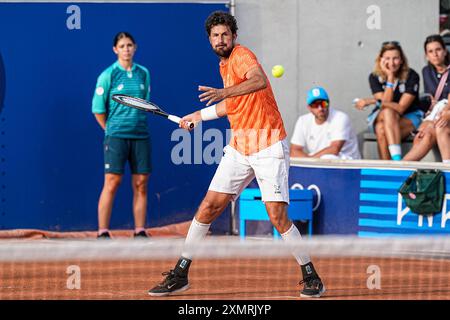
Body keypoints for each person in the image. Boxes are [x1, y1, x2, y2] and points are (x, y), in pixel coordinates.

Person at [148, 11, 325, 298]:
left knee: (277, 214)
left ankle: (310, 274)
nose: (220, 40)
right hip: (240, 147)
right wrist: (198, 116)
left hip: (268, 144)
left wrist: (223, 92)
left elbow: (258, 82)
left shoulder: (242, 56)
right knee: (208, 207)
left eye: (225, 35)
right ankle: (180, 273)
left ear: (234, 36)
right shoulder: (224, 65)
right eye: (215, 36)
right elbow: (233, 105)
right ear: (209, 39)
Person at [92, 32, 152, 239]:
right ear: (115, 49)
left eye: (129, 45)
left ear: (135, 47)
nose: (126, 49)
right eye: (122, 46)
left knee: (141, 183)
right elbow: (98, 109)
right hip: (116, 137)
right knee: (112, 181)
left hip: (140, 136)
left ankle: (140, 230)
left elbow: (145, 103)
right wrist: (109, 129)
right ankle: (103, 232)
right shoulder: (107, 75)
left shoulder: (143, 73)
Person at [354, 41, 423, 160]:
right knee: (387, 112)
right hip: (383, 115)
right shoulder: (374, 76)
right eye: (387, 58)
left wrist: (371, 101)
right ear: (381, 60)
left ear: (401, 60)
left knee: (382, 128)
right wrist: (390, 78)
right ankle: (396, 161)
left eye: (395, 58)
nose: (391, 63)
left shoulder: (411, 75)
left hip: (409, 116)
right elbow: (384, 105)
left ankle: (389, 166)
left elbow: (401, 108)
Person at [403, 35, 450, 163]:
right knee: (421, 136)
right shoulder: (426, 71)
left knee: (432, 132)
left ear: (445, 51)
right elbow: (431, 96)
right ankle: (403, 168)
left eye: (438, 49)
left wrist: (445, 112)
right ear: (426, 55)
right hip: (435, 112)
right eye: (430, 51)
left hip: (446, 111)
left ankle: (401, 167)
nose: (435, 54)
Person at [290, 86, 361, 160]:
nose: (320, 108)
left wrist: (310, 161)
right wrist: (310, 160)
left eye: (323, 103)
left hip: (348, 163)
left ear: (329, 103)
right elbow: (294, 151)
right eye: (315, 105)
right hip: (318, 160)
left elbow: (334, 149)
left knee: (328, 157)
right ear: (309, 107)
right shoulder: (303, 120)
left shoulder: (340, 117)